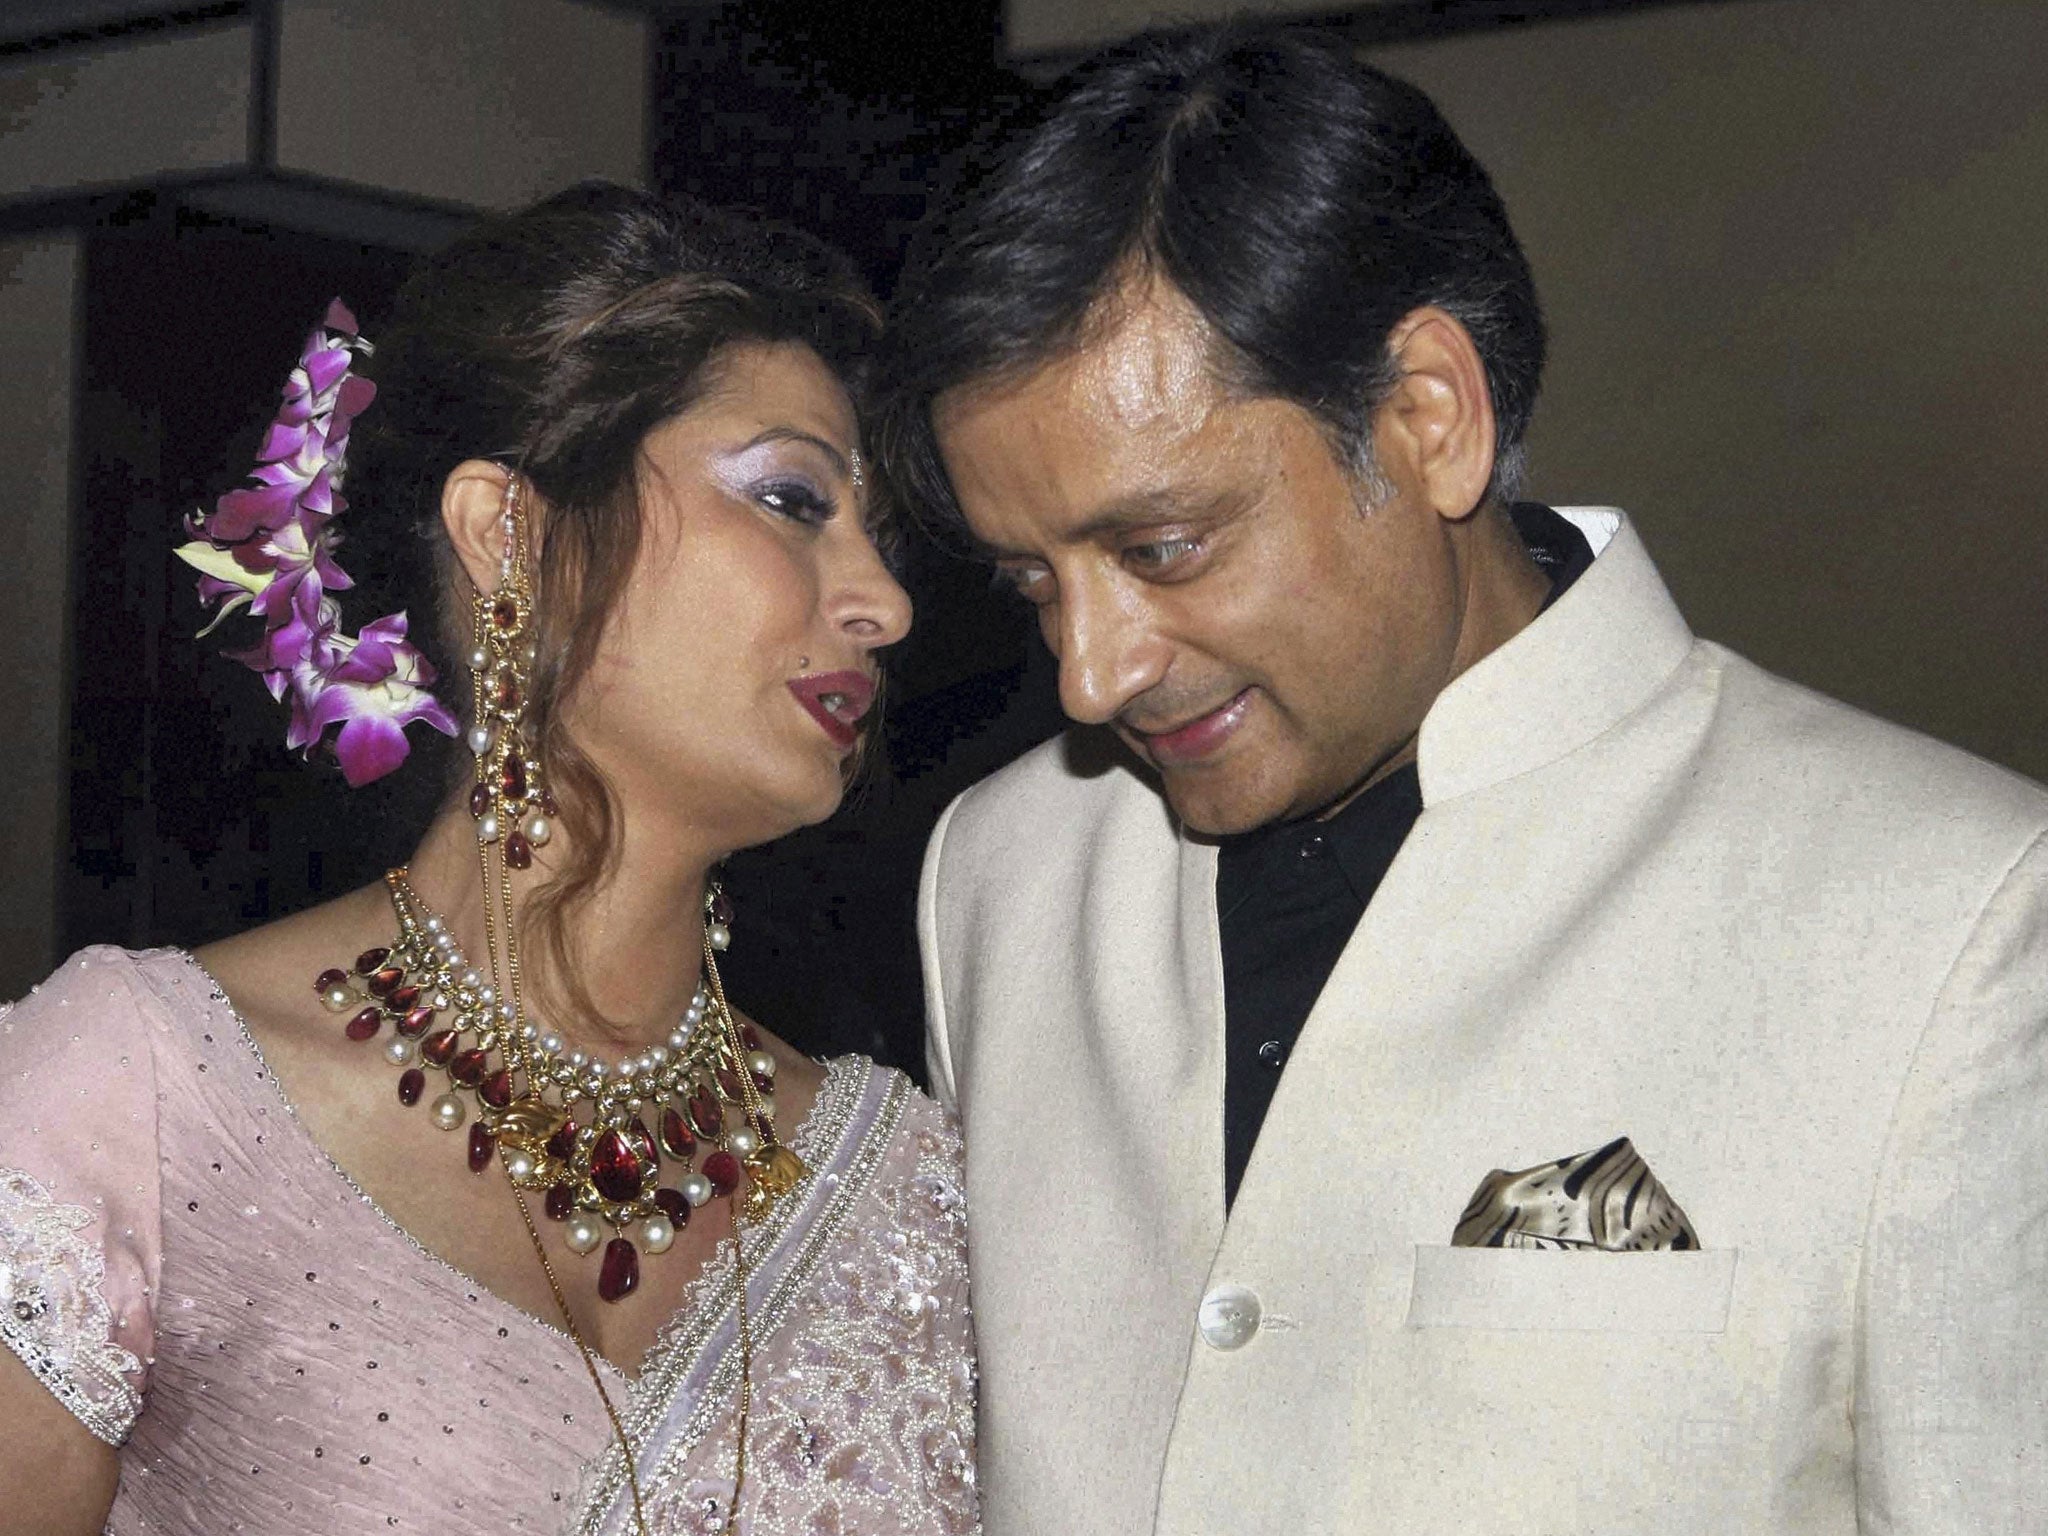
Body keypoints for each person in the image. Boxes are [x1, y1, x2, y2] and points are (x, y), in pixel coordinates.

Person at [877, 24, 2048, 1536]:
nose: (1090, 673)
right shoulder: (1005, 867)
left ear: (1431, 417)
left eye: (1161, 549)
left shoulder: (1952, 918)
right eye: (1031, 581)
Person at [0, 183, 978, 1536]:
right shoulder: (144, 1093)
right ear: (512, 534)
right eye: (795, 500)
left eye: (880, 537)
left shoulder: (911, 1194)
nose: (884, 600)